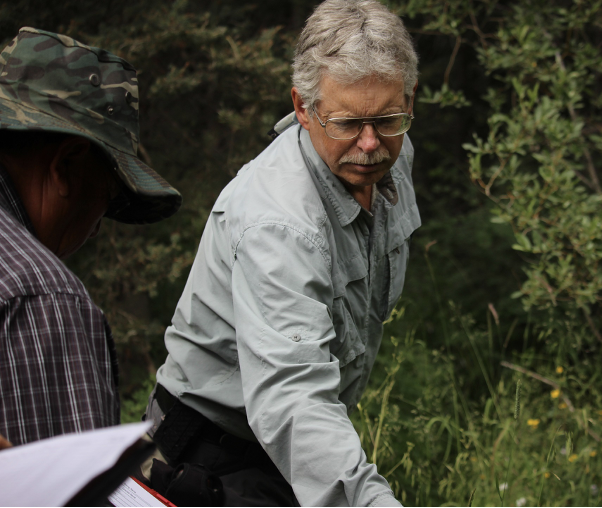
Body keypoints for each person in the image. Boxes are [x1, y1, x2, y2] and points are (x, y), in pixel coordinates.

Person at [145, 0, 420, 505]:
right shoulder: (278, 223)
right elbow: (294, 399)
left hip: (291, 449)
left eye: (387, 118)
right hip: (208, 455)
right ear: (303, 108)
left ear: (409, 100)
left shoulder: (390, 158)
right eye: (347, 123)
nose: (369, 144)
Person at [0, 28, 181, 447]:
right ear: (66, 166)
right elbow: (65, 483)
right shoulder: (42, 300)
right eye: (107, 196)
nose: (98, 227)